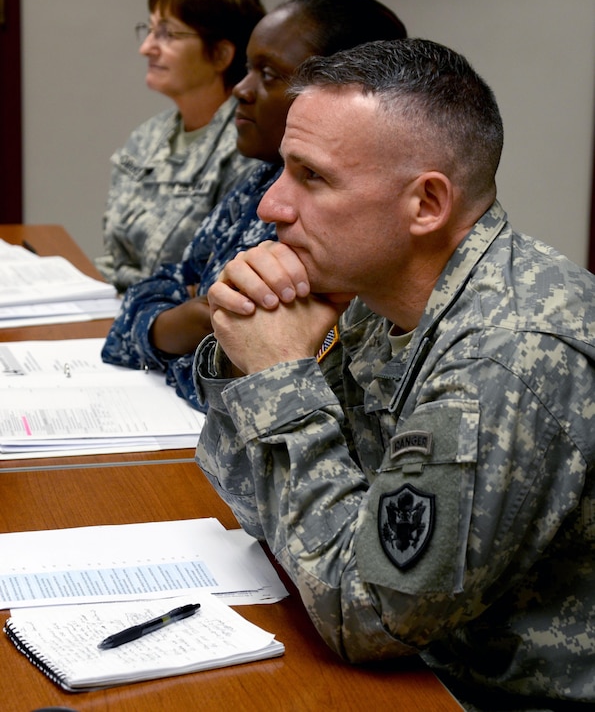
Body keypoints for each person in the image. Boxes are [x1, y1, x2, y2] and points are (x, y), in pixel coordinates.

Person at [194, 38, 595, 710]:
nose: (271, 205)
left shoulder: (508, 355)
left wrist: (278, 377)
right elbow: (271, 507)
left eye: (311, 177)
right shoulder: (383, 297)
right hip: (420, 667)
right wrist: (246, 356)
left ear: (425, 205)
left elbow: (367, 614)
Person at [101, 0, 408, 410]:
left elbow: (244, 395)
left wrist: (196, 323)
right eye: (249, 68)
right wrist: (206, 316)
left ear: (344, 93)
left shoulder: (350, 219)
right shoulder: (259, 181)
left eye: (268, 74)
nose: (240, 90)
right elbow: (137, 313)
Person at [95, 0, 266, 291]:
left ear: (220, 54)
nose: (146, 47)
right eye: (148, 30)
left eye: (168, 34)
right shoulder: (148, 137)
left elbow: (212, 284)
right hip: (121, 311)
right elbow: (114, 256)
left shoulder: (246, 150)